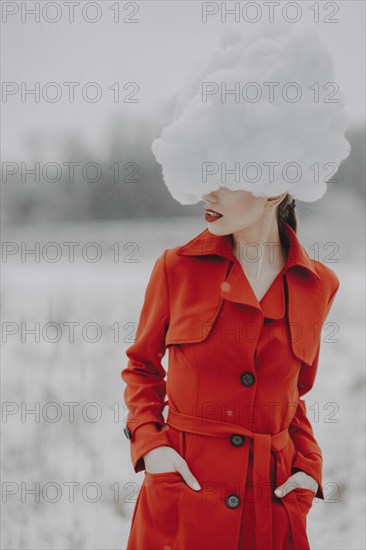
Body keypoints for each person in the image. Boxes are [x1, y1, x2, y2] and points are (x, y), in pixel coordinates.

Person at [121, 22, 350, 550]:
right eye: (207, 168)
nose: (210, 190)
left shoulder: (319, 285)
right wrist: (152, 447)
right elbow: (140, 368)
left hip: (270, 510)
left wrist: (309, 471)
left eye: (229, 173)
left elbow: (294, 399)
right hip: (183, 504)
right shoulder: (176, 268)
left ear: (277, 185)